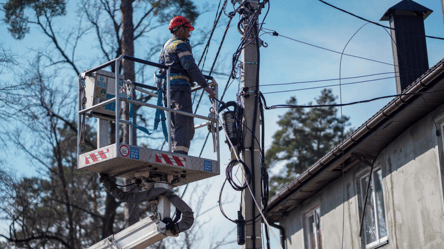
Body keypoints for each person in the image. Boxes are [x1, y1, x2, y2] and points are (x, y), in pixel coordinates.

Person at [155, 16, 215, 155]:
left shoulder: (165, 47)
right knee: (185, 123)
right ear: (181, 29)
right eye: (188, 30)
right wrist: (205, 86)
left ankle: (173, 152)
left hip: (167, 90)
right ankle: (181, 156)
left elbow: (160, 71)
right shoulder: (180, 44)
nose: (189, 34)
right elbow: (190, 66)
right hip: (180, 89)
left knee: (174, 123)